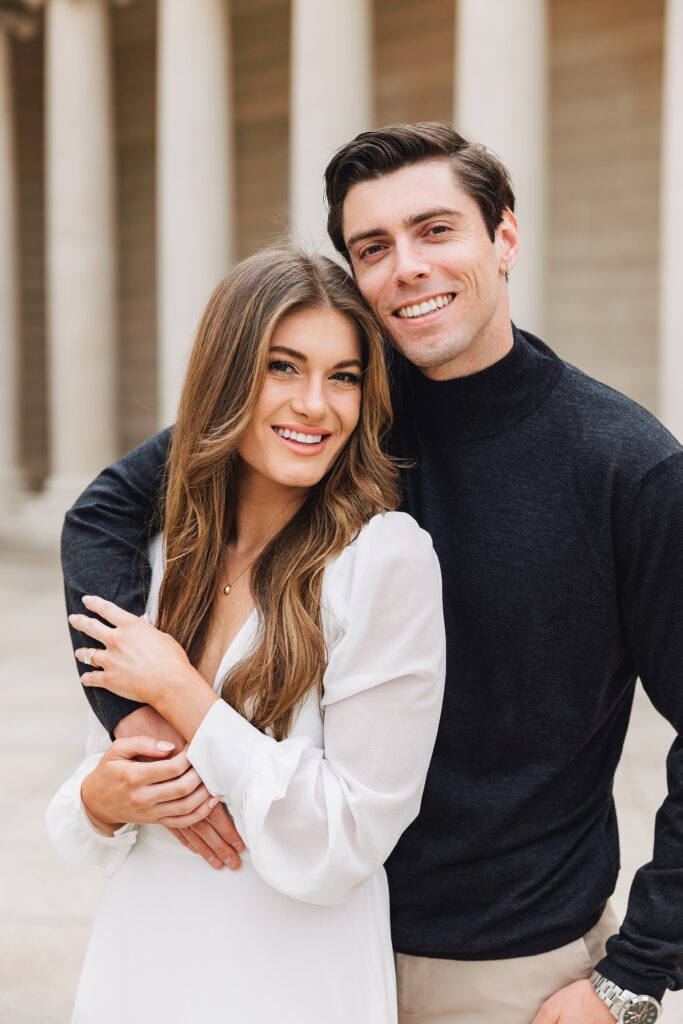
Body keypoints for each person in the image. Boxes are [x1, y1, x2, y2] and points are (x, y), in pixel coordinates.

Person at [58, 122, 683, 1023]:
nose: (407, 267)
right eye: (373, 248)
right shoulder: (334, 405)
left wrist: (631, 977)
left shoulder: (626, 466)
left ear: (503, 238)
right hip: (286, 941)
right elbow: (107, 511)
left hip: (493, 970)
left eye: (436, 230)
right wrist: (143, 727)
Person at [47, 248, 446, 1024]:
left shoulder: (382, 559)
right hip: (139, 967)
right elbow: (89, 806)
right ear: (226, 377)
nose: (315, 405)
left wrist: (182, 695)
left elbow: (347, 841)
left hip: (289, 980)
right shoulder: (162, 554)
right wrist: (101, 800)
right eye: (282, 367)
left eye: (343, 376)